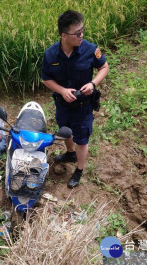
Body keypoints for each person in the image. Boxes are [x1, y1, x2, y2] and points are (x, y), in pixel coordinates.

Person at [41, 10, 109, 188]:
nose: (81, 35)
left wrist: (93, 84)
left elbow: (104, 68)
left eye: (83, 31)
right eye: (77, 33)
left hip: (83, 105)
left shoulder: (90, 49)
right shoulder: (51, 55)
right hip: (63, 104)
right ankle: (70, 153)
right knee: (65, 131)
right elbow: (46, 78)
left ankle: (79, 170)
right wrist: (62, 90)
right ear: (64, 35)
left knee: (82, 138)